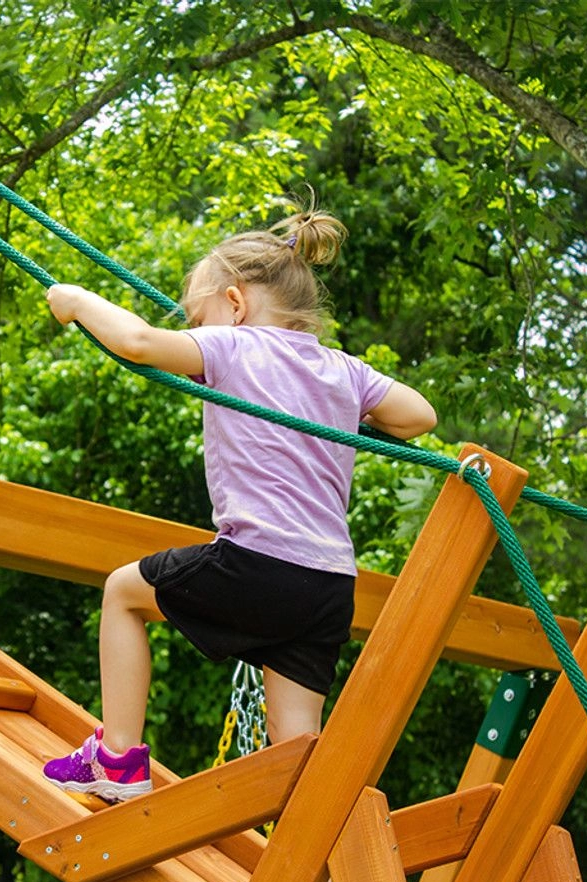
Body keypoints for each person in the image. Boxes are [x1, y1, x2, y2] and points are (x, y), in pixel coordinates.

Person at [40, 200, 437, 803]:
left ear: (235, 303)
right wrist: (340, 412)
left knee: (123, 594)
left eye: (199, 316)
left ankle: (118, 759)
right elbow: (419, 417)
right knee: (296, 739)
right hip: (328, 585)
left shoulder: (234, 347)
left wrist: (75, 300)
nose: (197, 329)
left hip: (258, 562)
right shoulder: (346, 371)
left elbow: (140, 342)